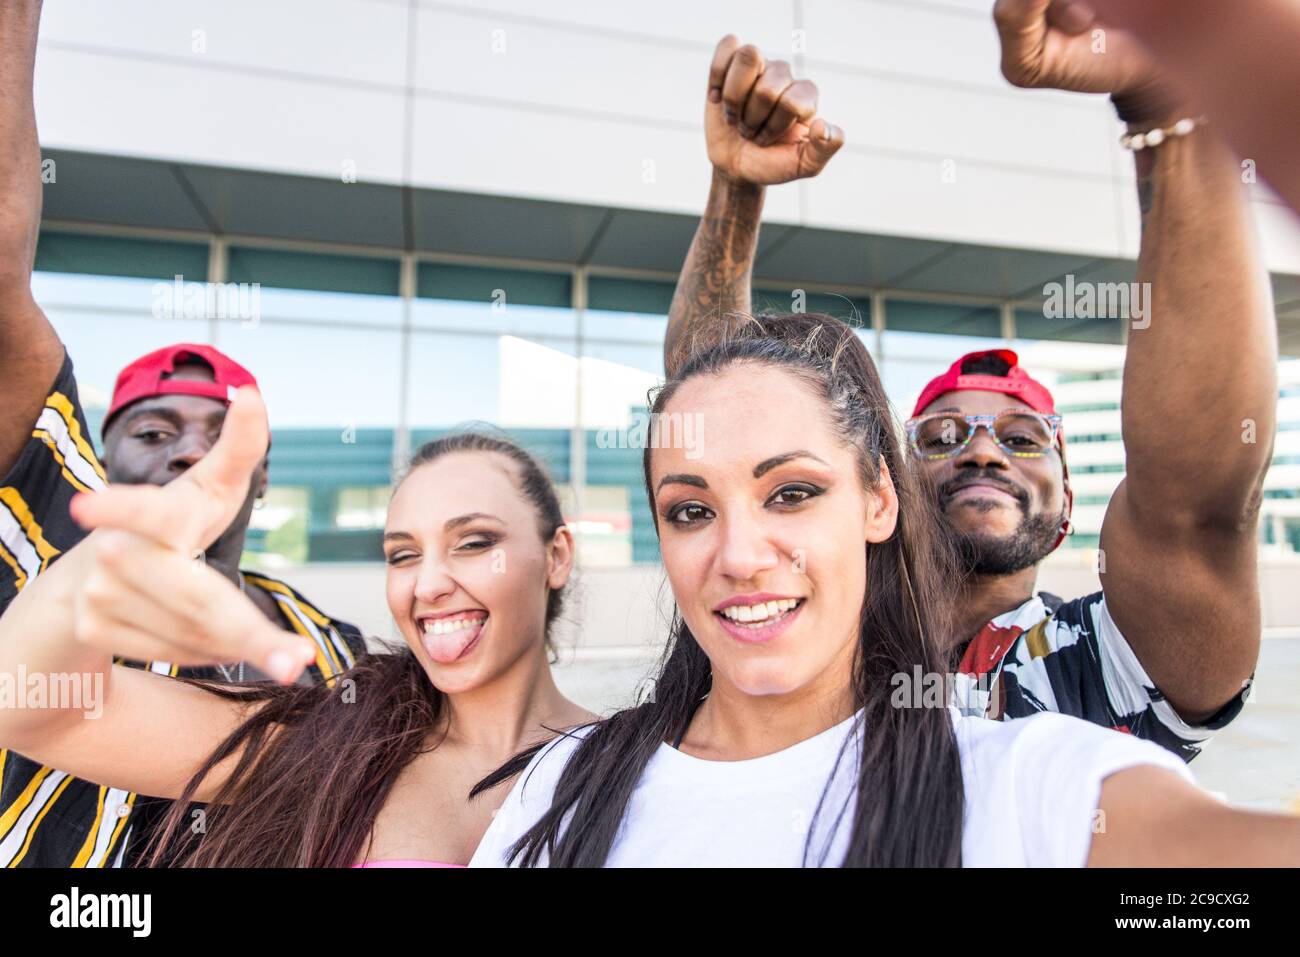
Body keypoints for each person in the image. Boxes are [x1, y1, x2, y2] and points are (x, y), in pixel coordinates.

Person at [471, 314, 1300, 867]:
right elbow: (729, 397)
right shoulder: (565, 786)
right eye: (690, 510)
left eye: (792, 492)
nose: (740, 553)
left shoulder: (1037, 757)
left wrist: (1170, 129)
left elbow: (1197, 497)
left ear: (877, 500)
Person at [664, 16, 1276, 760]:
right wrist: (736, 192)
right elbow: (717, 412)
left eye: (1021, 439)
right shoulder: (808, 636)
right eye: (942, 436)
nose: (983, 450)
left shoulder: (1110, 664)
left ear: (1069, 504)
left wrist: (1167, 111)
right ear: (884, 490)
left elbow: (1199, 497)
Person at [0, 1, 364, 866]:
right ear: (94, 455)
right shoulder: (39, 535)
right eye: (154, 429)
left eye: (220, 433)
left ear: (263, 473)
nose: (191, 452)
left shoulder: (330, 646)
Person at [0, 388, 595, 866]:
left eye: (473, 542)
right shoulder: (341, 738)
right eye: (402, 554)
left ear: (556, 555)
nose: (428, 584)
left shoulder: (644, 755)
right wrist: (93, 573)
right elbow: (30, 705)